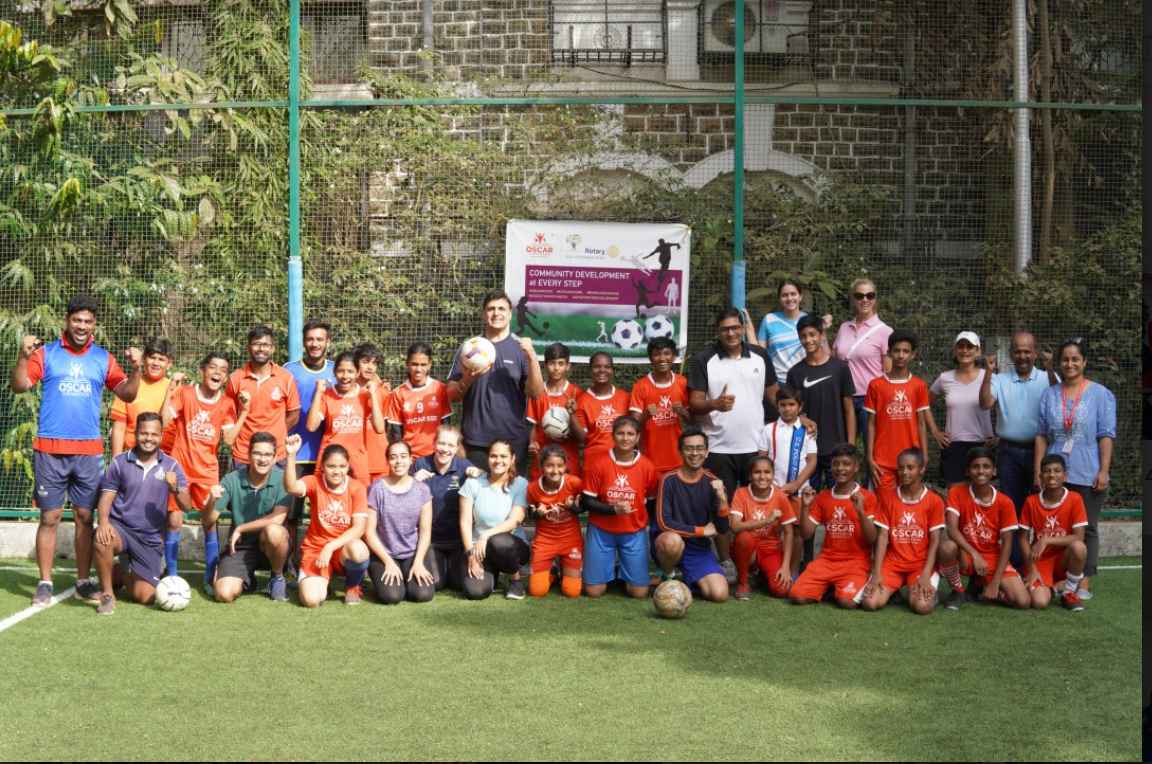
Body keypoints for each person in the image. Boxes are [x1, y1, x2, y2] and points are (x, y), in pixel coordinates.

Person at [9, 294, 143, 605]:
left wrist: (136, 369)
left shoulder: (103, 358)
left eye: (88, 321)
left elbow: (128, 393)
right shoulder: (46, 353)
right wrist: (22, 356)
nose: (82, 326)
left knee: (85, 516)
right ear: (67, 321)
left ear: (94, 325)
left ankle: (83, 581)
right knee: (50, 517)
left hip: (88, 452)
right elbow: (20, 385)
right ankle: (44, 582)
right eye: (77, 320)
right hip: (49, 449)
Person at [687, 307, 779, 580]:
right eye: (725, 328)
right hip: (718, 448)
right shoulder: (704, 359)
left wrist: (800, 419)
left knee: (756, 507)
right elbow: (694, 403)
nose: (731, 333)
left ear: (742, 328)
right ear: (717, 331)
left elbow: (774, 394)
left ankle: (758, 561)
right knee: (721, 509)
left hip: (755, 447)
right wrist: (716, 404)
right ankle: (726, 561)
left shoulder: (760, 356)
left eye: (735, 327)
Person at [1034, 338, 1115, 599]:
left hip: (1087, 472)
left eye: (1075, 359)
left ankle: (1084, 582)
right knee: (1056, 528)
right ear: (1059, 363)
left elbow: (1105, 435)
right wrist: (1039, 469)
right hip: (1055, 475)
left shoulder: (1101, 394)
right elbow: (1042, 435)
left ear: (1084, 362)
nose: (1070, 364)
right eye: (1065, 359)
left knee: (1087, 528)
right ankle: (1059, 580)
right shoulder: (1049, 394)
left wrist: (1103, 470)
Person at [92, 413, 192, 615]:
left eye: (154, 434)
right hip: (121, 528)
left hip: (150, 539)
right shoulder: (120, 462)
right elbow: (106, 497)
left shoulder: (171, 465)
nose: (148, 438)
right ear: (136, 433)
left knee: (146, 597)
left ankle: (119, 573)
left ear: (161, 436)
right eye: (144, 433)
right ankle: (108, 594)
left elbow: (187, 506)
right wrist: (103, 522)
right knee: (103, 538)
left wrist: (176, 489)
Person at [160, 351, 244, 589]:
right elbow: (164, 420)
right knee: (174, 521)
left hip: (207, 471)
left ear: (225, 376)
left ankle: (210, 576)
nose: (217, 372)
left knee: (210, 522)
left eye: (223, 369)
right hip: (181, 466)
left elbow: (228, 440)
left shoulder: (227, 403)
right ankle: (173, 576)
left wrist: (244, 412)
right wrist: (169, 392)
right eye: (213, 367)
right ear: (203, 370)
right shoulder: (186, 394)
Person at [978, 330, 1057, 567]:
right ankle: (1014, 566)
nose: (1022, 356)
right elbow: (984, 403)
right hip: (1009, 452)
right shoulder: (1000, 379)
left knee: (1039, 509)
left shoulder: (1046, 378)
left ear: (1034, 352)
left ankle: (1040, 567)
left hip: (1039, 453)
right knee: (1012, 509)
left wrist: (1051, 367)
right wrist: (989, 372)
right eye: (1018, 351)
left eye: (1027, 351)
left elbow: (1059, 397)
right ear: (1012, 353)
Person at [447, 290, 545, 473]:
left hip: (512, 441)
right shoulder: (469, 348)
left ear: (510, 314)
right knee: (476, 499)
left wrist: (532, 357)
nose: (496, 313)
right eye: (491, 309)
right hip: (476, 441)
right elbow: (451, 395)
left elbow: (536, 393)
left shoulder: (520, 349)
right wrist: (468, 379)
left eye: (501, 308)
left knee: (511, 498)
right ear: (484, 314)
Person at [283, 436, 371, 607]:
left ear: (348, 467)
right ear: (322, 467)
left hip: (342, 549)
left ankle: (353, 586)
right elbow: (291, 487)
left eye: (342, 466)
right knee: (311, 600)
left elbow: (359, 529)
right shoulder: (314, 482)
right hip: (316, 549)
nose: (337, 471)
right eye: (331, 466)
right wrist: (291, 456)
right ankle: (324, 582)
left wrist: (330, 547)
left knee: (358, 549)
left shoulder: (357, 488)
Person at [936, 447, 1029, 610]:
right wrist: (973, 553)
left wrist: (995, 582)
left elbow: (1007, 544)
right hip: (966, 552)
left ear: (994, 471)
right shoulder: (956, 492)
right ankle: (958, 591)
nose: (981, 471)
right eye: (975, 466)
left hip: (993, 557)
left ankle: (981, 586)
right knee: (947, 547)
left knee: (1023, 602)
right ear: (967, 471)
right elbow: (951, 529)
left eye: (986, 466)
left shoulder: (1005, 502)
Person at [208, 431, 293, 603]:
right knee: (223, 594)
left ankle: (276, 577)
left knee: (274, 531)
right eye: (257, 453)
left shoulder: (283, 479)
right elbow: (208, 520)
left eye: (268, 454)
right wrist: (211, 501)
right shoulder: (231, 479)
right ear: (248, 455)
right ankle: (248, 580)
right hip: (240, 547)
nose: (263, 459)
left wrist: (241, 528)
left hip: (271, 546)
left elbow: (278, 519)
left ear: (276, 457)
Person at [580, 415, 659, 599]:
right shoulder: (599, 464)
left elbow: (652, 501)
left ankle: (623, 569)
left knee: (639, 593)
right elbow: (586, 502)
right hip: (602, 531)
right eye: (620, 433)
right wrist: (612, 510)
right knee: (594, 592)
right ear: (613, 436)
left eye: (630, 434)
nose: (625, 438)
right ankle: (610, 568)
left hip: (633, 532)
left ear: (638, 437)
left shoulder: (647, 467)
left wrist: (642, 523)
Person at [790, 444, 877, 608]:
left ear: (856, 467)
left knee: (847, 602)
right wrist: (805, 507)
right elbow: (806, 534)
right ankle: (832, 586)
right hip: (827, 561)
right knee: (797, 596)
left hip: (856, 562)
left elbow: (872, 538)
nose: (840, 468)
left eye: (846, 464)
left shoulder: (867, 497)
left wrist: (860, 511)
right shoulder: (823, 497)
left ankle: (843, 587)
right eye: (836, 464)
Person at [861, 448, 944, 615]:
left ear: (922, 469)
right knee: (870, 603)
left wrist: (926, 574)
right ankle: (895, 591)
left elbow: (935, 541)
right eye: (901, 468)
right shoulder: (888, 498)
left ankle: (926, 591)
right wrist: (876, 573)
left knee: (922, 607)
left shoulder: (934, 501)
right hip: (893, 564)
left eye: (910, 467)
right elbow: (882, 537)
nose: (904, 472)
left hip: (919, 564)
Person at [652, 429, 731, 602]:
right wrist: (701, 531)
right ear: (680, 451)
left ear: (707, 451)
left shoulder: (713, 483)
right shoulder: (668, 480)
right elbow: (664, 523)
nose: (694, 453)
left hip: (697, 550)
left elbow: (723, 528)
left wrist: (722, 501)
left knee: (719, 594)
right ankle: (668, 575)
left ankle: (685, 577)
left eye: (699, 448)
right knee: (672, 541)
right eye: (689, 448)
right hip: (668, 545)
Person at [786, 314, 856, 490]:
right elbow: (791, 412)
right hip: (807, 450)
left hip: (837, 449)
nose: (808, 340)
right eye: (803, 336)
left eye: (812, 334)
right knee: (808, 501)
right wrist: (802, 419)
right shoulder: (795, 373)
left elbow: (849, 409)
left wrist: (850, 445)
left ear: (821, 335)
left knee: (840, 501)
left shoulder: (840, 368)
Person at [411, 424, 484, 591]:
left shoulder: (464, 466)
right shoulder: (420, 464)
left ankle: (453, 569)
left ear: (457, 447)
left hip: (458, 541)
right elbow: (402, 497)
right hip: (431, 541)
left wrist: (478, 473)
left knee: (462, 584)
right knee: (435, 583)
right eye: (442, 443)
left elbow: (486, 487)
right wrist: (414, 481)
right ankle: (442, 570)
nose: (445, 449)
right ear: (434, 443)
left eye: (451, 445)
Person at [284, 320, 336, 555]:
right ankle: (289, 564)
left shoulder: (338, 371)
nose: (315, 344)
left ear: (328, 342)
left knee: (327, 514)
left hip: (327, 455)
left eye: (319, 339)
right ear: (304, 342)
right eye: (310, 339)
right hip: (296, 455)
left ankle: (325, 562)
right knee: (290, 515)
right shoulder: (289, 370)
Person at [364, 441, 437, 604]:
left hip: (412, 553)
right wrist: (388, 562)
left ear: (411, 459)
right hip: (384, 554)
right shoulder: (376, 489)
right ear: (387, 461)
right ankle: (388, 578)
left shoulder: (422, 490)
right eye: (393, 457)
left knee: (422, 595)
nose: (399, 462)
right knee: (392, 596)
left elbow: (425, 532)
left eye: (403, 457)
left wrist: (418, 562)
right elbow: (369, 532)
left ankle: (407, 576)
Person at [458, 440, 531, 600]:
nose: (498, 460)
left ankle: (515, 581)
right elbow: (465, 522)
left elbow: (515, 521)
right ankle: (494, 574)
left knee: (498, 541)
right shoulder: (472, 483)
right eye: (493, 456)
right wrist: (470, 553)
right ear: (488, 458)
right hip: (480, 549)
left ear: (512, 459)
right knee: (475, 591)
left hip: (512, 547)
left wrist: (486, 535)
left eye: (503, 456)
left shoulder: (521, 484)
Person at [1018, 454, 1089, 611]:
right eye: (1047, 471)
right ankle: (1056, 588)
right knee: (1039, 602)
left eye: (1057, 471)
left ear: (1065, 475)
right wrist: (1031, 568)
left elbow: (1079, 537)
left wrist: (1046, 540)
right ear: (1040, 476)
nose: (1052, 475)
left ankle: (1068, 592)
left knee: (1079, 547)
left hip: (1064, 558)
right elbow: (1022, 538)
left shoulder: (1075, 499)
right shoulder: (1031, 501)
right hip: (1040, 560)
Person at [864, 329, 931, 490]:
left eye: (906, 351)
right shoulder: (875, 385)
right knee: (884, 508)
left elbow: (921, 424)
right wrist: (869, 457)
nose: (901, 355)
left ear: (913, 355)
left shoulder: (919, 385)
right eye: (897, 350)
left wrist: (925, 455)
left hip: (911, 460)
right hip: (882, 460)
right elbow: (871, 424)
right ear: (889, 352)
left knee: (907, 507)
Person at [306, 351, 385, 487]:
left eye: (350, 371)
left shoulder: (364, 395)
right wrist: (319, 392)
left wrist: (372, 395)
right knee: (325, 501)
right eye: (341, 371)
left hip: (357, 459)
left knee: (361, 501)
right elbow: (311, 426)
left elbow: (380, 428)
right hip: (331, 459)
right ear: (334, 372)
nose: (345, 376)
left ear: (357, 373)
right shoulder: (327, 395)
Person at [227, 325, 301, 467]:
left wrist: (275, 432)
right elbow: (229, 415)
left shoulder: (286, 378)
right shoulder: (235, 378)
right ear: (249, 347)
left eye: (266, 345)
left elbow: (294, 413)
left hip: (277, 454)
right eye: (256, 344)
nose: (261, 349)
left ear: (272, 348)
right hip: (244, 454)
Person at [929, 331, 995, 487]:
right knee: (955, 495)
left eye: (970, 347)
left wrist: (999, 435)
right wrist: (935, 432)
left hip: (983, 444)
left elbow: (1004, 405)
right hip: (953, 445)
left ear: (978, 351)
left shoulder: (990, 376)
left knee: (981, 496)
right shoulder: (944, 378)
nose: (965, 351)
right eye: (960, 346)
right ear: (955, 350)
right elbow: (923, 404)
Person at [730, 455, 796, 600]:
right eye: (757, 472)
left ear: (773, 475)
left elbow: (789, 532)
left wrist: (785, 567)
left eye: (767, 472)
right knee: (744, 537)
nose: (762, 476)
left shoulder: (780, 496)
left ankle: (762, 576)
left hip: (770, 550)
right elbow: (735, 526)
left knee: (782, 590)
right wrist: (766, 521)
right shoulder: (741, 493)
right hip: (748, 549)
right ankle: (743, 582)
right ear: (749, 475)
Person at [525, 445, 585, 598]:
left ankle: (565, 572)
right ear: (542, 467)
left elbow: (584, 507)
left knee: (572, 592)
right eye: (549, 465)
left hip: (570, 540)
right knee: (537, 591)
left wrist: (574, 507)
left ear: (565, 466)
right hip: (545, 541)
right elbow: (529, 514)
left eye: (560, 466)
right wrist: (538, 513)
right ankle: (552, 572)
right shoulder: (532, 488)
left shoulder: (574, 483)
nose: (555, 470)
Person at [745, 279, 832, 380]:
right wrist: (748, 327)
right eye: (784, 295)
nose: (789, 298)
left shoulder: (809, 320)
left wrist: (823, 329)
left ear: (800, 296)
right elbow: (760, 353)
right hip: (777, 381)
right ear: (779, 299)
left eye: (793, 294)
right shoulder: (769, 319)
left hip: (805, 379)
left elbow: (826, 354)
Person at [629, 337, 690, 475]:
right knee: (653, 497)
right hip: (649, 458)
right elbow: (633, 426)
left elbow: (693, 420)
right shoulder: (640, 386)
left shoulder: (682, 383)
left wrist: (682, 412)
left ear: (674, 356)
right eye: (657, 354)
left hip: (678, 458)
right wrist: (646, 415)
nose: (662, 358)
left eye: (667, 353)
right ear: (651, 358)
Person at [109, 337, 174, 457]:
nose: (155, 363)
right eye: (152, 358)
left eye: (161, 359)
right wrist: (116, 461)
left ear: (169, 364)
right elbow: (119, 427)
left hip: (163, 457)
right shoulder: (130, 386)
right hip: (132, 455)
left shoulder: (174, 389)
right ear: (144, 359)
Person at [525, 342, 582, 479]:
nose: (556, 368)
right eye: (552, 363)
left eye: (561, 364)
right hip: (542, 459)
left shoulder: (576, 393)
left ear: (568, 366)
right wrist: (533, 443)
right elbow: (533, 424)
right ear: (545, 365)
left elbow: (581, 433)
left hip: (568, 459)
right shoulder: (538, 392)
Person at [386, 342, 451, 460]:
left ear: (429, 365)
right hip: (412, 458)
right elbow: (396, 432)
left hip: (437, 456)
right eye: (414, 364)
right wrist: (404, 458)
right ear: (407, 364)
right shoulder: (398, 393)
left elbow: (446, 425)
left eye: (423, 364)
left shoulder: (440, 388)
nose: (418, 369)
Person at [571, 352, 631, 468]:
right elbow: (582, 438)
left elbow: (634, 431)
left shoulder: (625, 397)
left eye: (607, 367)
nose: (602, 370)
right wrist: (571, 415)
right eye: (597, 367)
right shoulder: (582, 401)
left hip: (622, 460)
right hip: (595, 461)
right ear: (590, 370)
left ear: (612, 370)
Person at [354, 343, 393, 484]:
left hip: (379, 461)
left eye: (374, 363)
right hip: (356, 463)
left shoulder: (384, 392)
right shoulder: (346, 392)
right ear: (355, 362)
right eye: (365, 362)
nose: (370, 367)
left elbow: (388, 428)